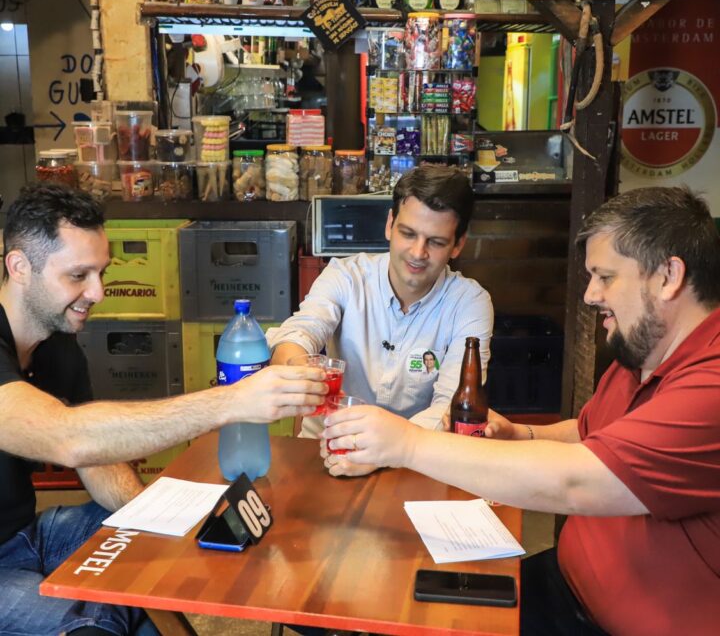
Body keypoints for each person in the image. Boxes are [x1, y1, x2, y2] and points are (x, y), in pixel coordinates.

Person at [323, 186, 720, 635]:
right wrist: (525, 435)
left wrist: (406, 443)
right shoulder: (645, 352)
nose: (590, 295)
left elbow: (580, 479)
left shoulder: (711, 384)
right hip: (563, 587)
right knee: (391, 604)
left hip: (606, 625)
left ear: (669, 276)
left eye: (605, 277)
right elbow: (590, 433)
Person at [0, 185, 326, 636]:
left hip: (26, 538)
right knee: (99, 622)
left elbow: (99, 459)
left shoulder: (57, 344)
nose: (97, 292)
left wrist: (153, 521)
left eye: (101, 272)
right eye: (78, 275)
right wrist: (232, 401)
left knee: (167, 549)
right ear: (19, 267)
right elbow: (68, 438)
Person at [267, 165, 494, 477]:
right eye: (408, 233)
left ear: (457, 245)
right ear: (390, 225)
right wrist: (296, 365)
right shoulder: (345, 276)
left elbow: (451, 409)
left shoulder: (469, 303)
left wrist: (386, 450)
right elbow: (301, 331)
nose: (418, 252)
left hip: (414, 465)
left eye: (436, 242)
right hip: (326, 452)